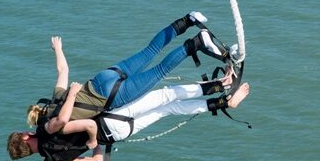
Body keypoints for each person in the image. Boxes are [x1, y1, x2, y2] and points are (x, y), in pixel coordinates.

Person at [29, 11, 229, 126]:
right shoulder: (56, 97)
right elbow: (63, 70)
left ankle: (196, 43)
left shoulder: (54, 123)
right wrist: (58, 49)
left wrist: (73, 97)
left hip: (111, 96)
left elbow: (63, 121)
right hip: (102, 78)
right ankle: (187, 20)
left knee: (160, 71)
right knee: (149, 51)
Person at [7, 81, 251, 161]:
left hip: (118, 134)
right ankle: (221, 86)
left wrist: (98, 146)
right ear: (26, 139)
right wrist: (92, 137)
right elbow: (85, 126)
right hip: (110, 120)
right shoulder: (49, 131)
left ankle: (223, 102)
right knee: (165, 96)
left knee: (168, 109)